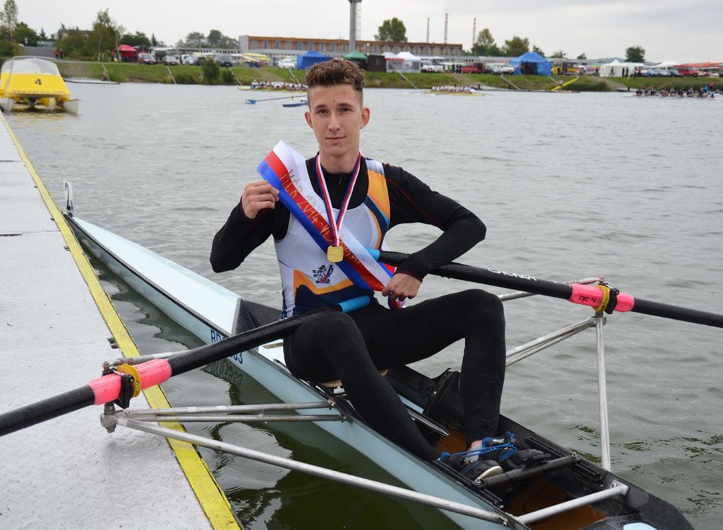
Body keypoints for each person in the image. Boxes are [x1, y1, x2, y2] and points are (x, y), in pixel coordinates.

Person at [210, 59, 509, 480]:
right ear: (309, 119)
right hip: (308, 339)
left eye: (345, 110)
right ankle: (432, 465)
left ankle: (481, 446)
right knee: (335, 326)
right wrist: (242, 216)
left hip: (372, 328)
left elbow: (469, 225)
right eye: (323, 112)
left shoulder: (389, 182)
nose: (334, 124)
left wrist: (417, 268)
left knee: (483, 305)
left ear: (363, 116)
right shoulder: (283, 192)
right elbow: (221, 262)